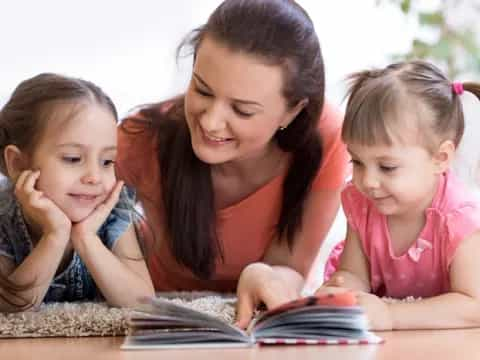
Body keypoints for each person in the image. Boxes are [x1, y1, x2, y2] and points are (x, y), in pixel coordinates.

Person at [116, 0, 349, 328]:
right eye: (202, 91)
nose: (211, 122)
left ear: (293, 111)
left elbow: (290, 268)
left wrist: (262, 277)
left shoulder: (327, 138)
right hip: (166, 317)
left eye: (242, 110)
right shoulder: (141, 138)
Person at [316, 60, 480, 330]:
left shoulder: (458, 218)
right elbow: (354, 273)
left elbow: (474, 305)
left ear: (440, 158)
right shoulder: (362, 203)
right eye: (357, 162)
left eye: (387, 167)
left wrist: (391, 315)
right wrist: (344, 295)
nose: (367, 181)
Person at [0, 73, 154, 312]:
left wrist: (86, 239)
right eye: (73, 158)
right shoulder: (4, 215)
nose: (94, 177)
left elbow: (143, 303)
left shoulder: (113, 209)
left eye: (107, 161)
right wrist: (55, 235)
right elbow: (10, 310)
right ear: (19, 164)